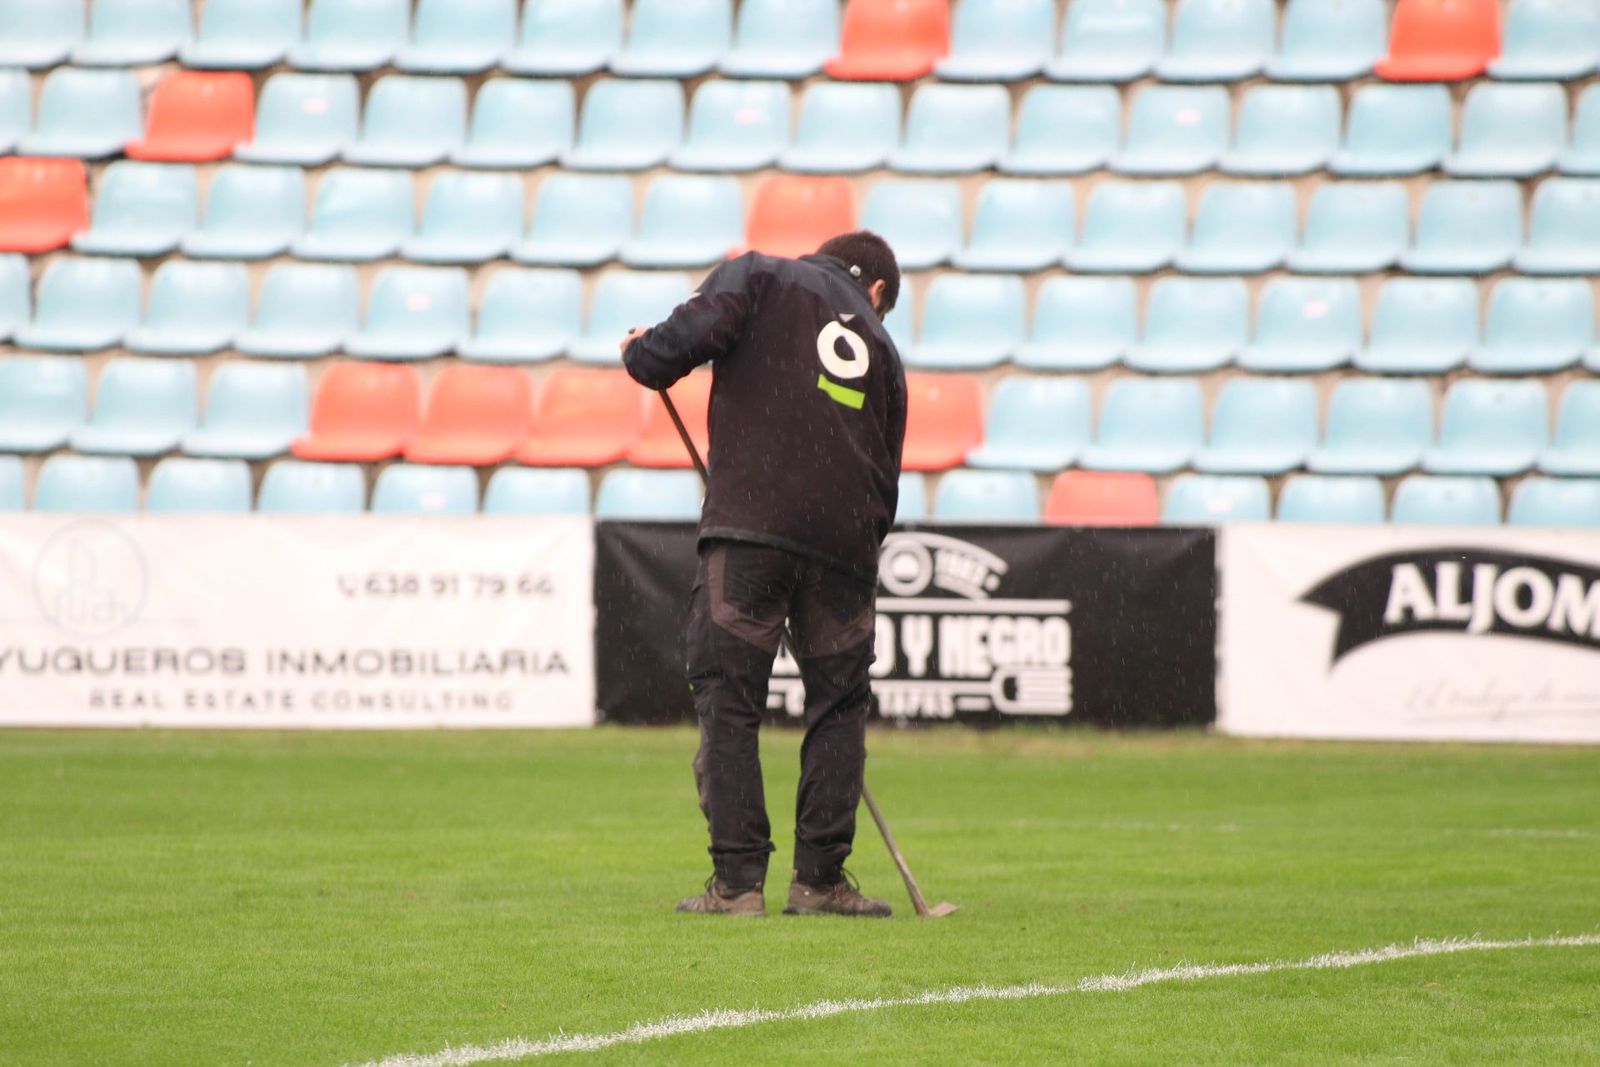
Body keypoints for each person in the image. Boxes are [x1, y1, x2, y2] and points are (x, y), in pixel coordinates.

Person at [619, 231, 907, 918]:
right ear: (875, 292)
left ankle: (738, 883)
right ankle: (821, 880)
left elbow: (669, 350)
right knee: (838, 706)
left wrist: (638, 350)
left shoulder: (761, 275)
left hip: (752, 527)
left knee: (731, 700)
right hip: (844, 546)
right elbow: (886, 483)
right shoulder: (886, 354)